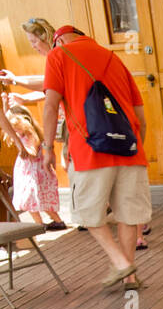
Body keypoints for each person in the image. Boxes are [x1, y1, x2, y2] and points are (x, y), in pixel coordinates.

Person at [40, 24, 151, 289]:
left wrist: (47, 148)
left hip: (90, 151)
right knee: (128, 215)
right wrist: (133, 147)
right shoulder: (114, 59)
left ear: (59, 40)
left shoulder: (58, 56)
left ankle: (122, 264)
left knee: (86, 214)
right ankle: (130, 278)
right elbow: (141, 119)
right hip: (129, 151)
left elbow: (50, 106)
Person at [0, 103, 66, 229]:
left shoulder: (29, 135)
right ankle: (55, 221)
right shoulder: (24, 134)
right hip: (31, 174)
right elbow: (4, 118)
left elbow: (33, 153)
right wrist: (5, 102)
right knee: (37, 201)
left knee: (30, 201)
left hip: (32, 175)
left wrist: (23, 150)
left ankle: (40, 224)